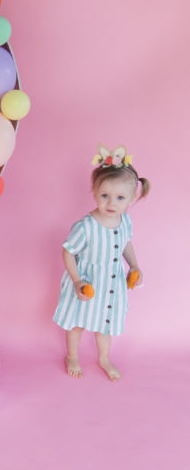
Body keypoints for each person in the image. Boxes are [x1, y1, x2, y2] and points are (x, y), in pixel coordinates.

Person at [53, 145, 150, 380]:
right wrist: (77, 281)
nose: (111, 203)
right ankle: (72, 355)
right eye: (104, 195)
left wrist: (134, 266)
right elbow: (68, 252)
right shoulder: (86, 226)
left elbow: (126, 243)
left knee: (104, 324)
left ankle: (104, 358)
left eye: (119, 198)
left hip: (112, 282)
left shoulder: (124, 221)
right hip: (87, 281)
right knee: (77, 322)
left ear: (130, 199)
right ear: (94, 191)